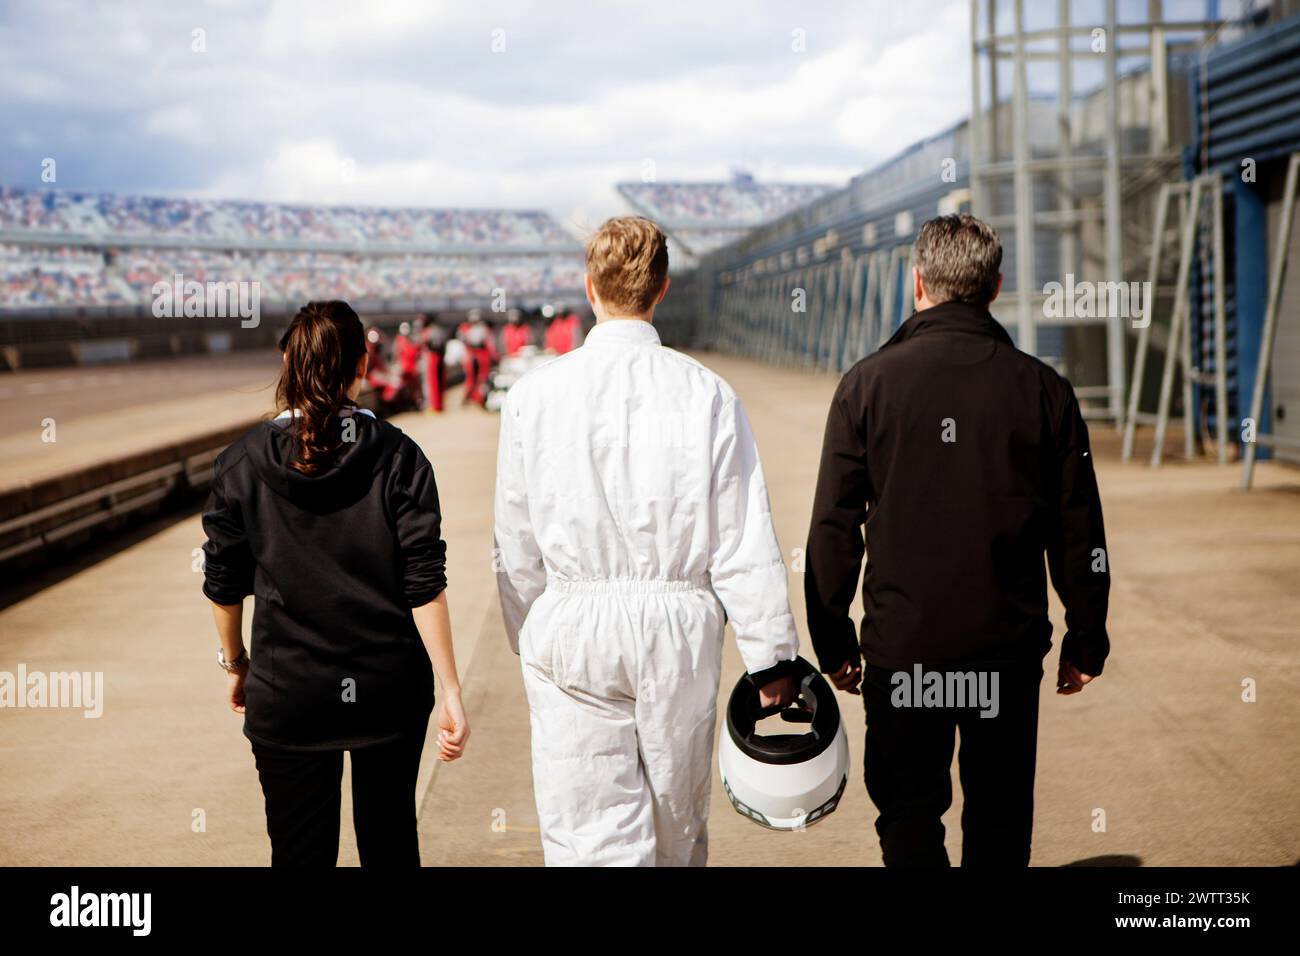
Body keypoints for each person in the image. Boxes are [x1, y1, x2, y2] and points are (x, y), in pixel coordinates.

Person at [803, 214, 1110, 868]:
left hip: (905, 652)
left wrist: (832, 642)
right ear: (994, 286)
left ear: (917, 283)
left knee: (909, 813)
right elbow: (1079, 527)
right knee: (1000, 820)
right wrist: (1087, 637)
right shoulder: (1043, 391)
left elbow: (833, 526)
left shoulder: (865, 386)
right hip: (1003, 651)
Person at [494, 216, 799, 867]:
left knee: (586, 828)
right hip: (676, 624)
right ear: (661, 287)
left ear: (589, 288)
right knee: (676, 822)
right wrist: (771, 658)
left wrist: (528, 630)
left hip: (569, 619)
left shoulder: (533, 397)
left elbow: (514, 539)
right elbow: (743, 534)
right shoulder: (707, 393)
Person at [201, 300, 470, 867]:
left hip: (289, 691)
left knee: (299, 855)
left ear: (287, 366)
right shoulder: (401, 456)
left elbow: (224, 583)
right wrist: (451, 688)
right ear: (363, 363)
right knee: (391, 843)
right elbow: (424, 581)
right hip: (387, 690)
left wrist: (237, 664)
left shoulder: (241, 463)